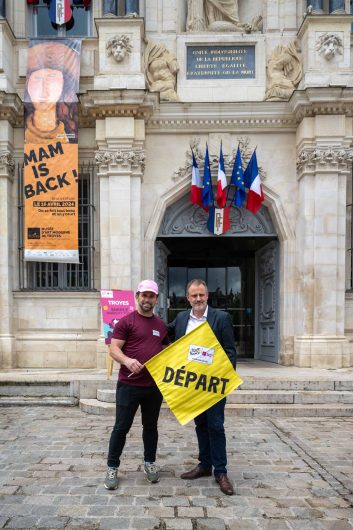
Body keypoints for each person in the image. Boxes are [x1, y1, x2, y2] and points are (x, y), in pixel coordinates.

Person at [168, 279, 236, 496]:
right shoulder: (180, 318)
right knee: (200, 424)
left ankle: (221, 472)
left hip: (214, 384)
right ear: (188, 298)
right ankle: (205, 465)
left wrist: (226, 380)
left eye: (201, 295)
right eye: (194, 295)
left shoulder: (221, 318)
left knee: (216, 426)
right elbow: (161, 333)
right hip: (192, 384)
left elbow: (230, 351)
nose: (198, 299)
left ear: (207, 296)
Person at [104, 279, 169, 490]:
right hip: (128, 386)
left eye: (151, 296)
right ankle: (112, 467)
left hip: (153, 387)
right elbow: (114, 349)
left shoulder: (161, 325)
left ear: (156, 299)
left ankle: (149, 463)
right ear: (137, 297)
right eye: (144, 295)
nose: (147, 299)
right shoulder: (126, 321)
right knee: (121, 427)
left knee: (150, 427)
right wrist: (127, 360)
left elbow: (168, 352)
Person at [24, 41, 80, 144]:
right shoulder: (23, 134)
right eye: (37, 79)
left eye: (51, 78)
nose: (44, 90)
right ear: (27, 83)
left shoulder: (71, 136)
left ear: (64, 85)